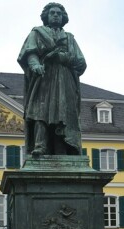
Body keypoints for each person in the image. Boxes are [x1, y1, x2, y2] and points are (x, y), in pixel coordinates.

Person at [18, 2, 87, 157]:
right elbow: (30, 53)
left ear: (63, 18)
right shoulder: (37, 33)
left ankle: (62, 149)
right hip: (44, 77)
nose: (56, 15)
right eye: (52, 13)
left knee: (63, 114)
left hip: (65, 80)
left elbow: (81, 63)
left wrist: (63, 57)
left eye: (58, 13)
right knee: (40, 111)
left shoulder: (69, 39)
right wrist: (35, 64)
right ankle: (40, 146)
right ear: (46, 17)